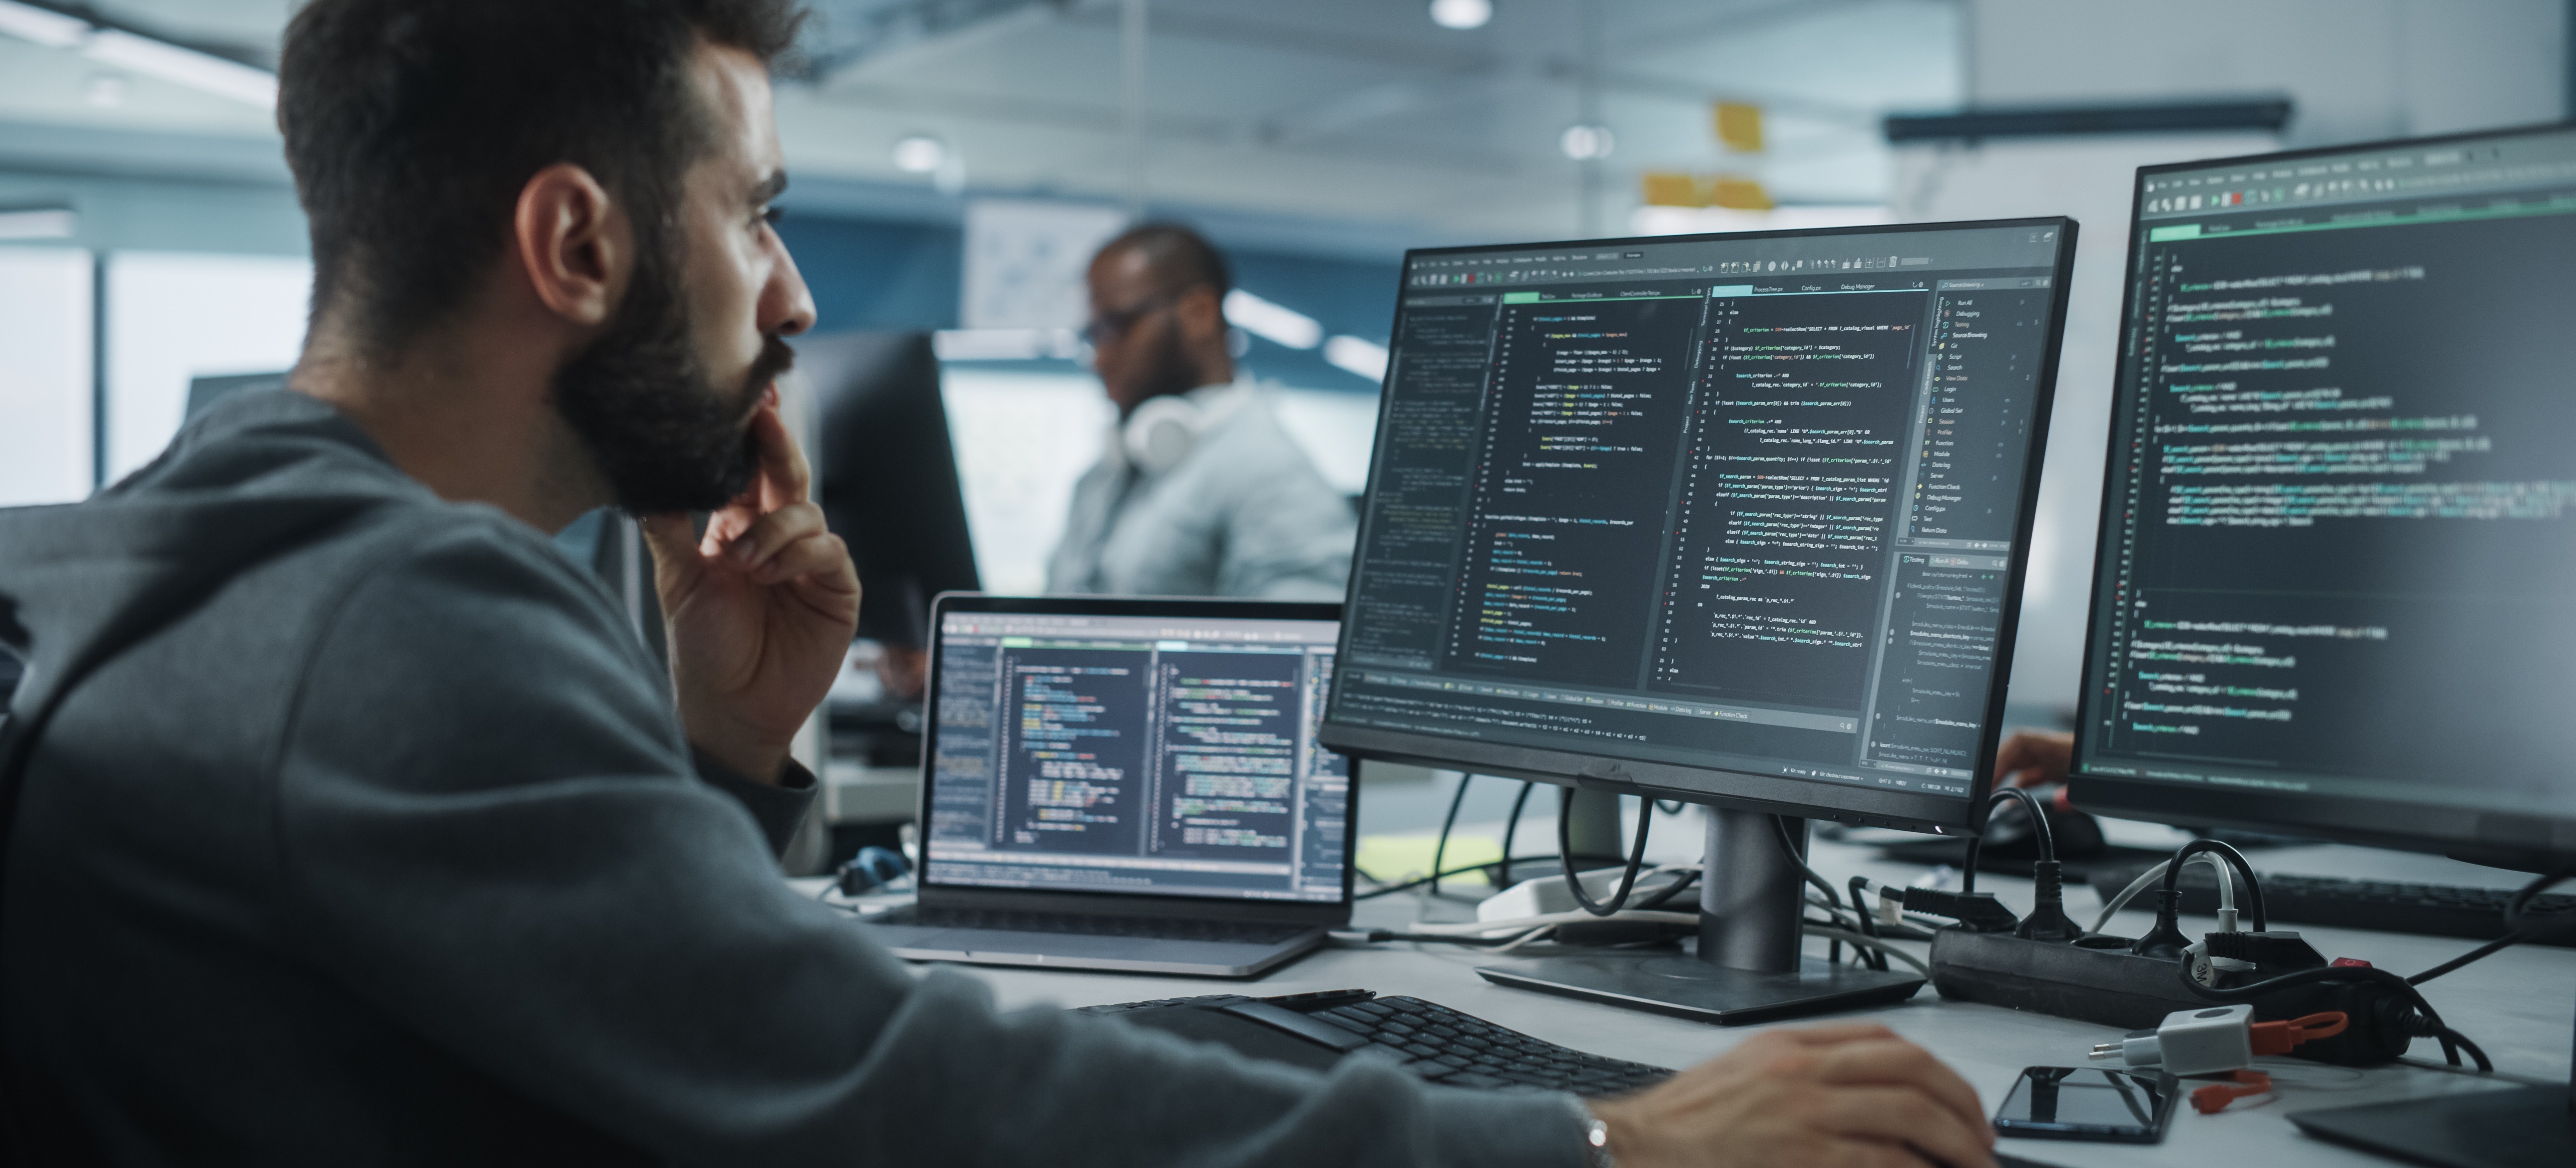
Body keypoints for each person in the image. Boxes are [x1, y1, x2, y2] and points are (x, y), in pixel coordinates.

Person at [0, 3, 1999, 1165]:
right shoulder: (387, 630)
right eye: (756, 220)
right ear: (577, 244)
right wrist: (1602, 1142)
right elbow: (903, 1097)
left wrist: (706, 762)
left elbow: (644, 1017)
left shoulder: (187, 557)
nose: (789, 299)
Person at [1042, 224, 1360, 600]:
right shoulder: (1106, 476)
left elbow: (1302, 649)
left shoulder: (1271, 476)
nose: (1099, 358)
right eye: (1094, 335)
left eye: (1116, 326)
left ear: (1199, 312)